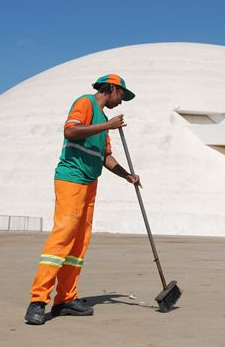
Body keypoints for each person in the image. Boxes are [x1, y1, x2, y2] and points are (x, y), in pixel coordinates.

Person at [24, 74, 140, 325]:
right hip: (71, 179)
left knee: (79, 244)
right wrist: (106, 126)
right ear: (111, 89)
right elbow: (71, 130)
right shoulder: (86, 103)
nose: (122, 102)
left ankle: (65, 299)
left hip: (90, 182)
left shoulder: (104, 121)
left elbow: (105, 157)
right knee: (62, 237)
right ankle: (38, 301)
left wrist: (127, 176)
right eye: (122, 95)